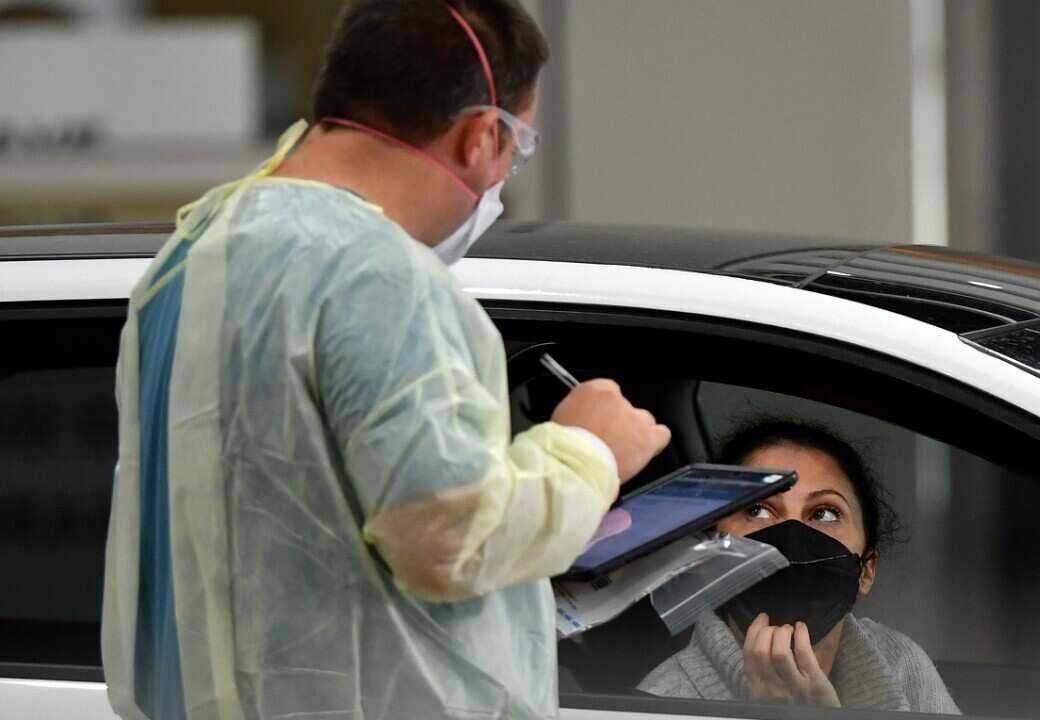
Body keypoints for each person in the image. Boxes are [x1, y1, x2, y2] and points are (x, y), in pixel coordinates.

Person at [100, 2, 670, 719]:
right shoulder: (373, 275)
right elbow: (452, 533)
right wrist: (588, 449)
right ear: (480, 137)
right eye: (516, 150)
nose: (503, 176)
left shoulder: (189, 259)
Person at [638, 420, 958, 713]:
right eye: (759, 510)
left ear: (866, 570)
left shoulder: (903, 666)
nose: (792, 536)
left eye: (824, 513)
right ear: (709, 560)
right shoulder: (657, 702)